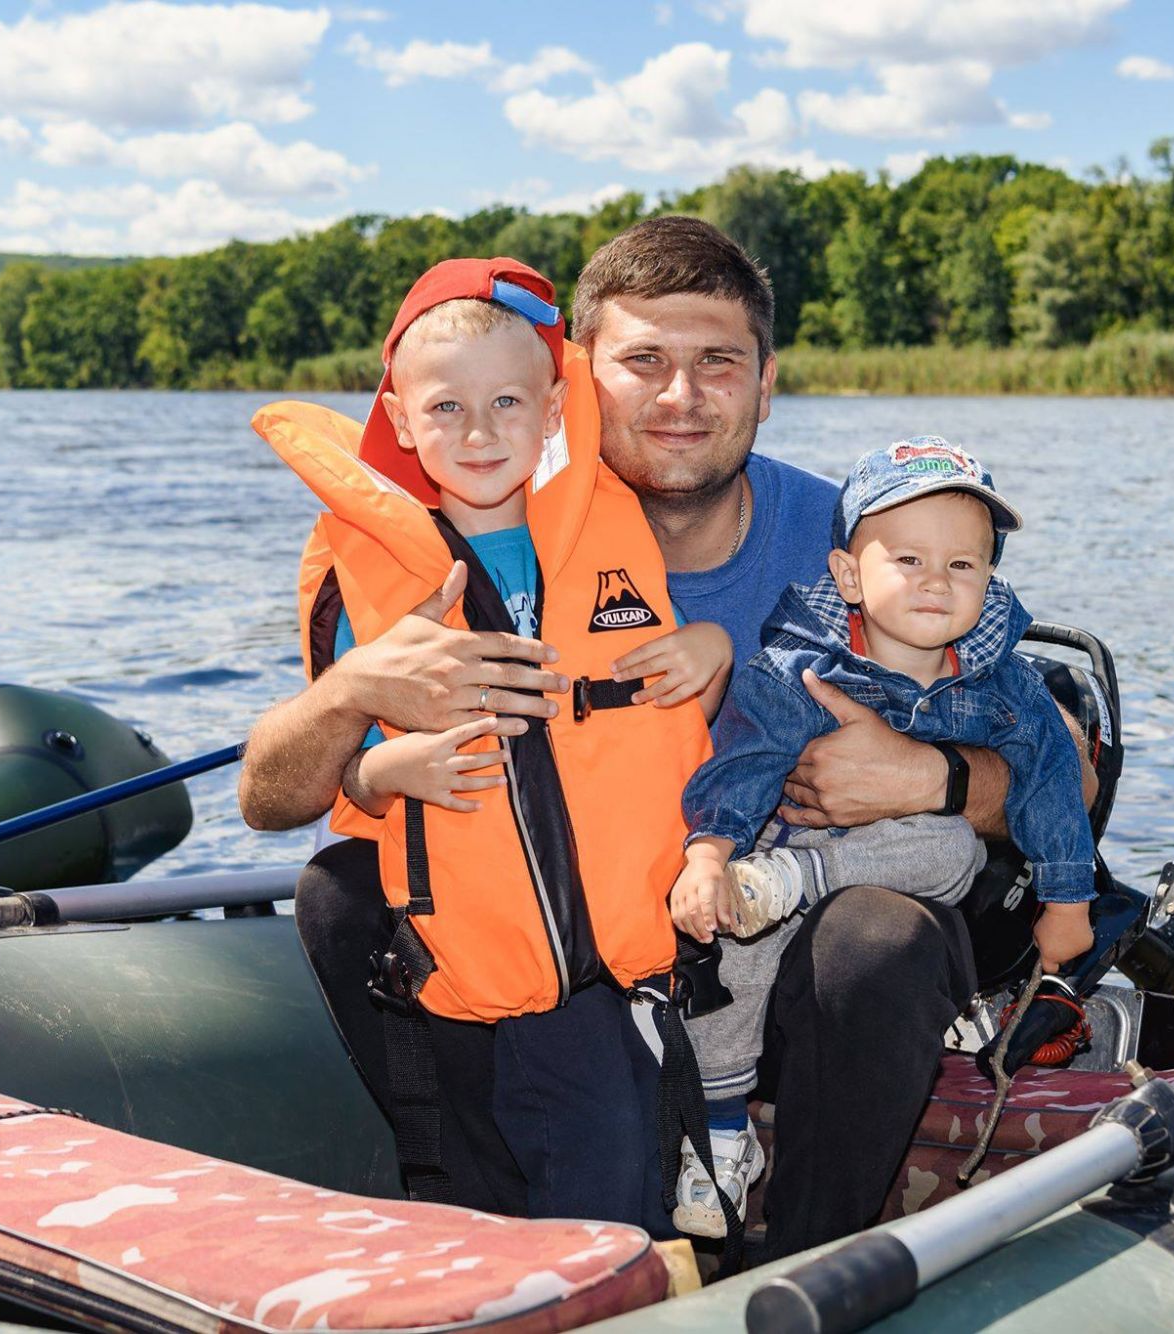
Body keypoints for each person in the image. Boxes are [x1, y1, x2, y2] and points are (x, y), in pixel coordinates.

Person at [240, 217, 1070, 1259]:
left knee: (878, 937)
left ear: (765, 384)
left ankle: (804, 1268)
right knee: (341, 888)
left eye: (717, 361)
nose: (681, 395)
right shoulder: (494, 532)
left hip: (806, 927)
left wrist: (933, 774)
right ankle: (471, 1226)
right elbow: (271, 796)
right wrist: (350, 697)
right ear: (580, 382)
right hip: (606, 935)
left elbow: (1064, 763)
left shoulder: (866, 542)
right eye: (644, 362)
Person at [250, 256, 730, 1234]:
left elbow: (659, 717)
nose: (478, 433)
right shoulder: (371, 564)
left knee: (611, 1210)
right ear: (399, 415)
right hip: (459, 952)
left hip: (608, 964)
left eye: (506, 401)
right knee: (488, 1207)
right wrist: (381, 747)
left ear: (554, 408)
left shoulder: (608, 519)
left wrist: (711, 645)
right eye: (446, 408)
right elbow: (332, 780)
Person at [664, 437, 1098, 1237]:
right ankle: (719, 1127)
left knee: (954, 850)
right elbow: (747, 762)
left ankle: (817, 1243)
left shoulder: (1006, 684)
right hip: (777, 864)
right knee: (734, 956)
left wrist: (1068, 900)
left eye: (963, 566)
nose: (936, 581)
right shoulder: (800, 664)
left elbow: (1055, 784)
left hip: (906, 878)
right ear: (848, 574)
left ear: (988, 580)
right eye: (908, 560)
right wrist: (709, 852)